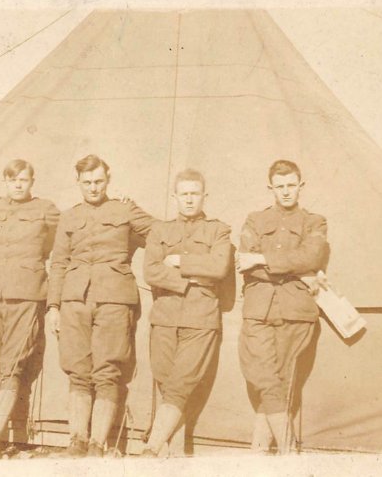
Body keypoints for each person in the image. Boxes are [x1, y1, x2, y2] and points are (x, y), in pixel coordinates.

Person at [47, 154, 155, 457]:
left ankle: (97, 442)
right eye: (87, 183)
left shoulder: (125, 209)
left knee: (107, 371)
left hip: (114, 299)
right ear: (78, 182)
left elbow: (160, 233)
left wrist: (135, 207)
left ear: (108, 179)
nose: (93, 188)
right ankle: (77, 439)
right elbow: (58, 263)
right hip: (75, 301)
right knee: (78, 371)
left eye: (98, 181)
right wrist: (53, 306)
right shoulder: (68, 216)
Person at [0, 159, 60, 459]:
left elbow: (63, 239)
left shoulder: (47, 210)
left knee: (12, 365)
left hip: (26, 296)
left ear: (32, 181)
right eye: (13, 179)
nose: (18, 184)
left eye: (24, 179)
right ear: (5, 181)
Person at [236, 159, 327, 455]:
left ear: (301, 186)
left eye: (291, 186)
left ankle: (258, 453)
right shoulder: (254, 220)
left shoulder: (314, 222)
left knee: (283, 383)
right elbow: (245, 265)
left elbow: (312, 257)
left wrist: (263, 259)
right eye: (280, 186)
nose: (286, 192)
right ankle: (289, 452)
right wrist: (298, 271)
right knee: (264, 377)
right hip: (259, 311)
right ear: (270, 188)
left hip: (296, 312)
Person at [140, 169, 232, 456]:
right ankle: (173, 459)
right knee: (169, 387)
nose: (190, 200)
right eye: (184, 194)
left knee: (179, 386)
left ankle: (152, 449)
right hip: (165, 318)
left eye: (195, 193)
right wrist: (193, 276)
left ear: (205, 196)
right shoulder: (160, 230)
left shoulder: (219, 230)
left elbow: (218, 268)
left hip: (200, 319)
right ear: (175, 197)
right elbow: (151, 271)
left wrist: (180, 260)